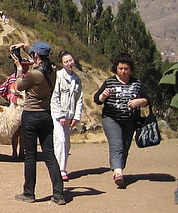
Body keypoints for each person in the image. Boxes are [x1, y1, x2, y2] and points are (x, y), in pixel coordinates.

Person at [12, 42, 65, 205]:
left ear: (36, 56)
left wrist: (19, 68)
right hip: (46, 116)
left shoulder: (34, 74)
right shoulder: (53, 70)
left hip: (31, 116)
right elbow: (39, 59)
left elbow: (18, 86)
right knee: (49, 154)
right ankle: (58, 194)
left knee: (31, 156)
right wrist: (26, 49)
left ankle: (29, 193)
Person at [93, 53, 149, 189]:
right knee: (116, 144)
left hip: (130, 121)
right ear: (116, 69)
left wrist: (139, 101)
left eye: (126, 69)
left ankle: (118, 167)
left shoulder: (136, 83)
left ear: (130, 69)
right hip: (111, 119)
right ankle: (118, 173)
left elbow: (147, 100)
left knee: (125, 146)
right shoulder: (109, 82)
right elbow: (96, 99)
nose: (123, 71)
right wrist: (103, 96)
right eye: (120, 68)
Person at [50, 51, 84, 181]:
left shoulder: (77, 79)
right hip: (58, 115)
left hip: (70, 114)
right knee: (60, 140)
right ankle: (60, 170)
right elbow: (55, 97)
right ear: (62, 64)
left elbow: (79, 99)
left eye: (70, 60)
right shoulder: (58, 76)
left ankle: (62, 167)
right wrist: (59, 115)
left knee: (67, 143)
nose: (69, 63)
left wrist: (76, 116)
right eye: (66, 62)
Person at [0, 44, 33, 159]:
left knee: (22, 133)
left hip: (25, 107)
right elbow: (5, 89)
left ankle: (20, 152)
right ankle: (15, 152)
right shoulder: (15, 78)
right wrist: (11, 97)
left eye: (26, 66)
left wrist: (23, 47)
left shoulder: (29, 77)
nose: (26, 68)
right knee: (16, 133)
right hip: (16, 107)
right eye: (24, 66)